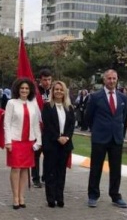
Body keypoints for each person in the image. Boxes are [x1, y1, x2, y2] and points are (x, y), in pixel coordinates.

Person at [86, 69, 127, 208]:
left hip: (116, 138)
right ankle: (93, 195)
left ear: (117, 80)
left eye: (114, 78)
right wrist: (96, 130)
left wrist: (121, 134)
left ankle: (115, 195)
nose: (111, 81)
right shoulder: (96, 97)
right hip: (100, 138)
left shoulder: (123, 98)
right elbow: (88, 117)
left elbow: (124, 118)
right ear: (104, 80)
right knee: (96, 168)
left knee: (116, 169)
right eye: (109, 78)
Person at [4, 78, 42, 210]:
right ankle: (15, 197)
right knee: (16, 168)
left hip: (29, 142)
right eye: (22, 88)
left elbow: (36, 124)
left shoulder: (33, 104)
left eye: (26, 88)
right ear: (17, 90)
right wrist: (8, 142)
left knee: (25, 169)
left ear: (30, 90)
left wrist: (39, 141)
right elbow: (6, 124)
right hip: (15, 141)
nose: (24, 90)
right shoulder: (11, 103)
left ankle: (22, 196)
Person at [42, 80, 75, 208]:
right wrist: (57, 137)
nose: (59, 92)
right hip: (51, 143)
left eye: (61, 90)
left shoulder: (69, 107)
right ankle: (50, 198)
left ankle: (59, 197)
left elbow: (72, 125)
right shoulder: (47, 106)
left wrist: (66, 136)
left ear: (64, 91)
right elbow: (47, 125)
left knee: (61, 172)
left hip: (65, 144)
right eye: (56, 89)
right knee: (50, 171)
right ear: (52, 91)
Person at [32, 69, 52, 188]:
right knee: (36, 153)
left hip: (49, 127)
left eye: (49, 79)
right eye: (45, 80)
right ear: (40, 79)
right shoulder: (35, 92)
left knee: (48, 153)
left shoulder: (53, 91)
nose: (47, 82)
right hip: (37, 126)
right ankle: (35, 178)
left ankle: (46, 176)